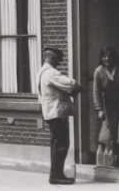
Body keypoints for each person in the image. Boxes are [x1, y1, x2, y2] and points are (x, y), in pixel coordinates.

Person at [37, 45, 81, 185]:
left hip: (48, 112)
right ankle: (56, 175)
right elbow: (70, 84)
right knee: (61, 144)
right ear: (51, 58)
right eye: (57, 60)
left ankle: (56, 173)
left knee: (56, 143)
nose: (58, 63)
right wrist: (78, 86)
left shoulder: (41, 71)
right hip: (56, 112)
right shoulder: (51, 73)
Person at [92, 47, 119, 168]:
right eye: (104, 57)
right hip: (106, 105)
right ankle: (107, 158)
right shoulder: (99, 71)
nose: (107, 59)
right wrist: (99, 109)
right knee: (107, 131)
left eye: (110, 56)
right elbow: (96, 91)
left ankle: (117, 158)